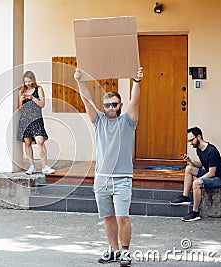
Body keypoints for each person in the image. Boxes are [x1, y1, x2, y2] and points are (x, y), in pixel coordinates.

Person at [75, 67, 143, 267]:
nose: (110, 108)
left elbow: (135, 101)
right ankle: (113, 251)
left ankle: (125, 252)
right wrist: (79, 81)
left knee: (123, 217)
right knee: (108, 218)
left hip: (122, 178)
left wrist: (137, 82)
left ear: (120, 105)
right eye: (107, 105)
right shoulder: (98, 121)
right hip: (102, 178)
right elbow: (86, 100)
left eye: (114, 104)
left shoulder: (128, 121)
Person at [170, 126, 221, 222]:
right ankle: (185, 197)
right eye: (188, 141)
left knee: (196, 183)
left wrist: (198, 180)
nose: (190, 143)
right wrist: (190, 160)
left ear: (199, 137)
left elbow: (212, 173)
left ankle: (195, 213)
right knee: (189, 168)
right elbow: (200, 164)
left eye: (191, 140)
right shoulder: (199, 149)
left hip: (219, 179)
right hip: (210, 173)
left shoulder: (212, 151)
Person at [17, 70, 55, 175]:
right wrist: (21, 100)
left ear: (33, 80)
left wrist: (32, 98)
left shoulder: (38, 89)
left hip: (37, 119)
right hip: (25, 120)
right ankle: (32, 166)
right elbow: (20, 108)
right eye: (25, 81)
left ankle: (44, 166)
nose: (27, 83)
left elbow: (42, 104)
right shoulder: (22, 91)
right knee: (28, 143)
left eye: (29, 81)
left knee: (40, 141)